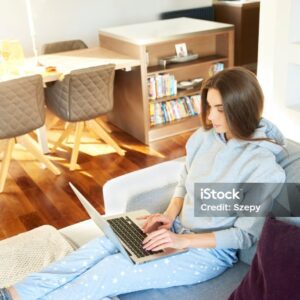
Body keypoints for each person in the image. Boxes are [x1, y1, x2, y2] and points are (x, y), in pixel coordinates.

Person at [0, 67, 286, 300]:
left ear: (242, 109)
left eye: (220, 109)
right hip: (174, 230)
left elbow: (244, 237)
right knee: (103, 244)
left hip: (207, 253)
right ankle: (14, 293)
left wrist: (182, 240)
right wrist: (167, 217)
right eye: (209, 107)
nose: (211, 117)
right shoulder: (205, 137)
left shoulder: (264, 168)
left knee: (111, 270)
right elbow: (185, 182)